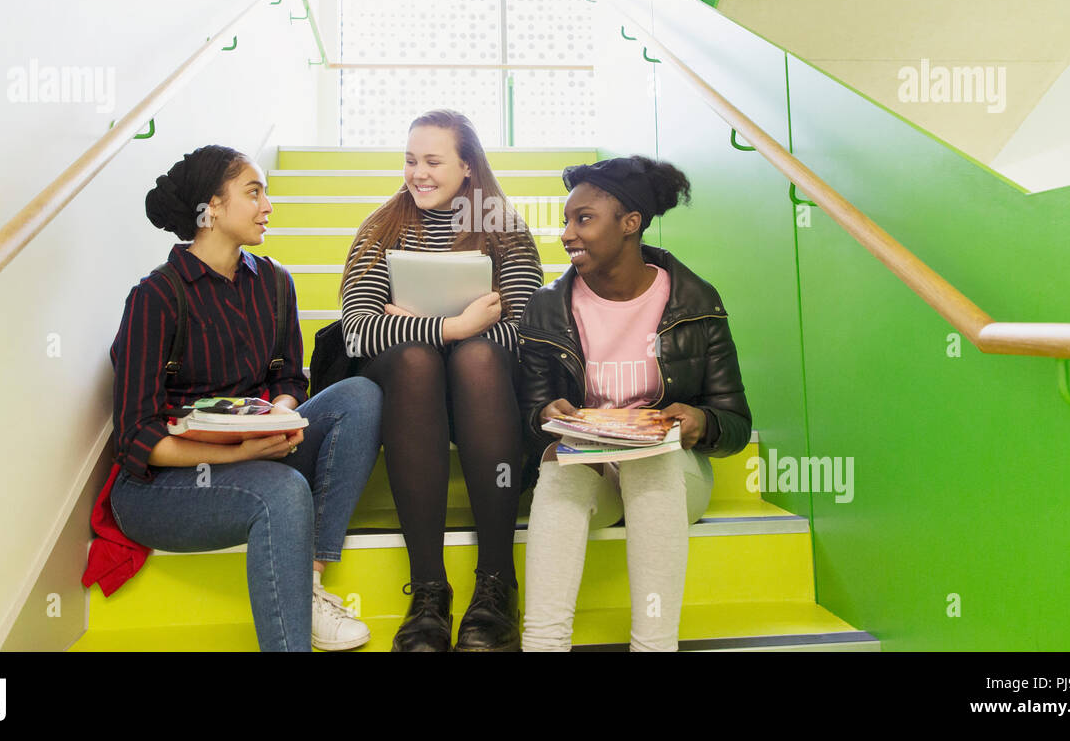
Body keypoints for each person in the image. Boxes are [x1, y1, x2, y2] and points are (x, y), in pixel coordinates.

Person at [84, 145, 383, 652]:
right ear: (213, 208)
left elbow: (290, 379)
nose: (268, 205)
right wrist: (239, 452)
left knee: (360, 394)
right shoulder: (156, 297)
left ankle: (305, 584)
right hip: (162, 487)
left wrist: (277, 418)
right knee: (283, 491)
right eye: (254, 191)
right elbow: (137, 438)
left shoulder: (273, 282)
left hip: (254, 451)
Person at [516, 155, 752, 651]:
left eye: (583, 219)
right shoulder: (547, 307)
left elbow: (734, 424)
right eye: (566, 220)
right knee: (561, 466)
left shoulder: (696, 303)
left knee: (652, 460)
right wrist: (544, 419)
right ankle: (543, 644)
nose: (566, 234)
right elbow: (527, 416)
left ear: (631, 224)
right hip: (590, 480)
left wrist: (700, 421)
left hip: (671, 480)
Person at [339, 110, 544, 651]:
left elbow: (526, 335)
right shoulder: (381, 228)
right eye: (410, 160)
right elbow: (358, 333)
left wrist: (419, 326)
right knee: (414, 360)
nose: (418, 173)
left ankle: (497, 581)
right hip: (407, 389)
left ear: (468, 166)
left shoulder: (505, 230)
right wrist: (452, 327)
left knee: (474, 358)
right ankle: (429, 590)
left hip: (486, 391)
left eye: (433, 161)